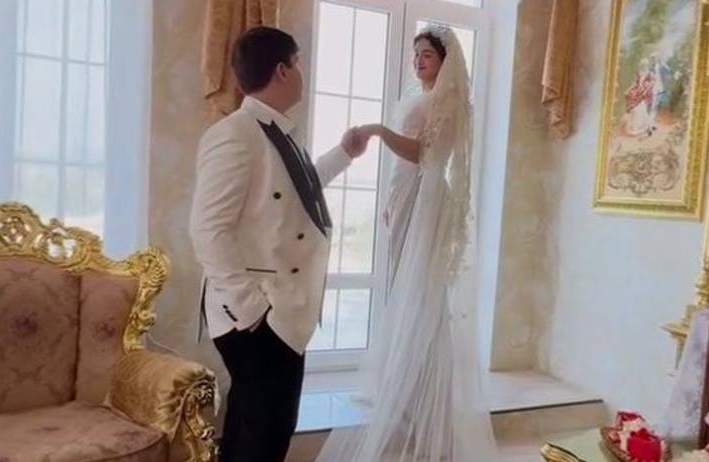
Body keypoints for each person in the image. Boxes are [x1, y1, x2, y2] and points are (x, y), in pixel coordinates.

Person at [315, 25, 499, 461]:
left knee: (424, 296)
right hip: (407, 196)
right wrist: (390, 199)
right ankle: (407, 388)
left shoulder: (448, 101)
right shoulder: (419, 96)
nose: (418, 61)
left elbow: (423, 154)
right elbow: (406, 163)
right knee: (407, 291)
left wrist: (378, 130)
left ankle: (423, 395)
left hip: (426, 199)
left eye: (427, 55)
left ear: (445, 61)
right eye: (415, 54)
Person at [189, 26, 368, 462]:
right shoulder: (236, 134)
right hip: (257, 315)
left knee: (257, 430)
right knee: (263, 438)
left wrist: (343, 154)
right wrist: (253, 312)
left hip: (281, 310)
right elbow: (207, 229)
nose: (303, 72)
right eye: (299, 62)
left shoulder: (278, 132)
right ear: (283, 70)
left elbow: (299, 195)